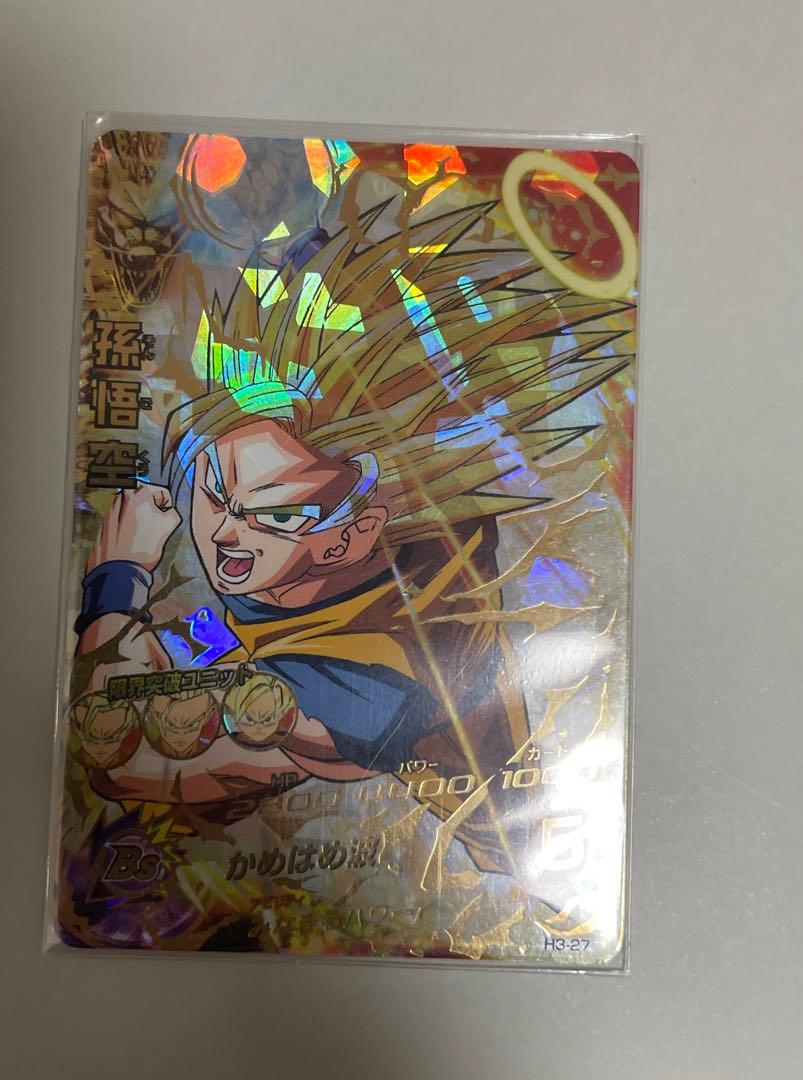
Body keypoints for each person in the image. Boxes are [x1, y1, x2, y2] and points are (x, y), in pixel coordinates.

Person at [73, 201, 628, 872]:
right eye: (213, 489)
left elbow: (117, 756)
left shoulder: (371, 677)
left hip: (501, 861)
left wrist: (118, 580)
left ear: (351, 538)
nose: (224, 531)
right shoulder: (361, 495)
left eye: (275, 515)